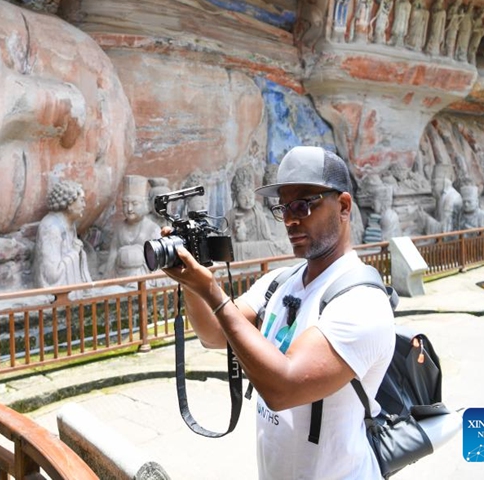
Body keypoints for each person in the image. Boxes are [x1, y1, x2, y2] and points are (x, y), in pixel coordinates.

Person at [159, 146, 395, 478]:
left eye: (302, 205)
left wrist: (212, 290)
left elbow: (283, 389)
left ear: (343, 206)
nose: (289, 219)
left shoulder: (361, 302)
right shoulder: (278, 283)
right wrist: (190, 279)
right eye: (282, 207)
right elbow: (214, 334)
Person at [33, 180, 93, 289]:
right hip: (54, 293)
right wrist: (74, 252)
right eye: (81, 201)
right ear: (69, 204)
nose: (84, 205)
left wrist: (78, 252)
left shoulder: (70, 223)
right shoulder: (51, 228)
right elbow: (51, 275)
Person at [105, 175, 160, 278]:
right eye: (125, 204)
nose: (129, 208)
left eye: (135, 204)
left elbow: (158, 261)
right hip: (120, 275)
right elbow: (112, 257)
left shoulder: (152, 229)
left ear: (145, 204)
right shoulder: (119, 228)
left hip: (144, 278)